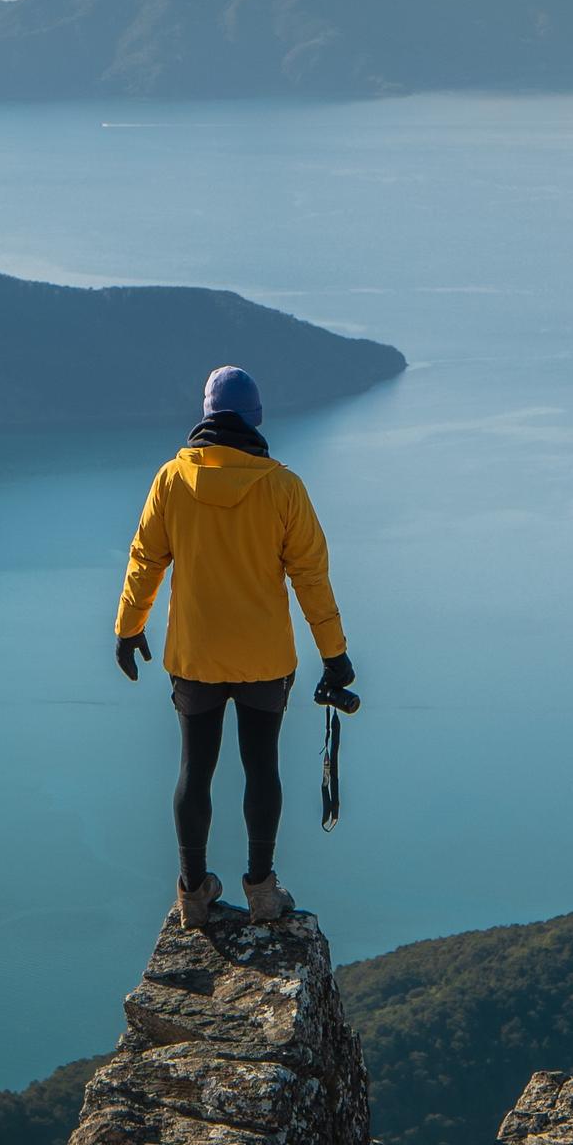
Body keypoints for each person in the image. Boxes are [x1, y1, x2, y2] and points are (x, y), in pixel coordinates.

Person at [113, 364, 356, 931]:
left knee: (194, 770)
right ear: (257, 418)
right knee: (261, 768)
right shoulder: (282, 488)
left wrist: (129, 628)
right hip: (265, 661)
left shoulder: (171, 480)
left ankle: (193, 895)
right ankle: (262, 891)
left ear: (205, 415)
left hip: (195, 658)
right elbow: (311, 578)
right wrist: (334, 653)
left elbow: (146, 559)